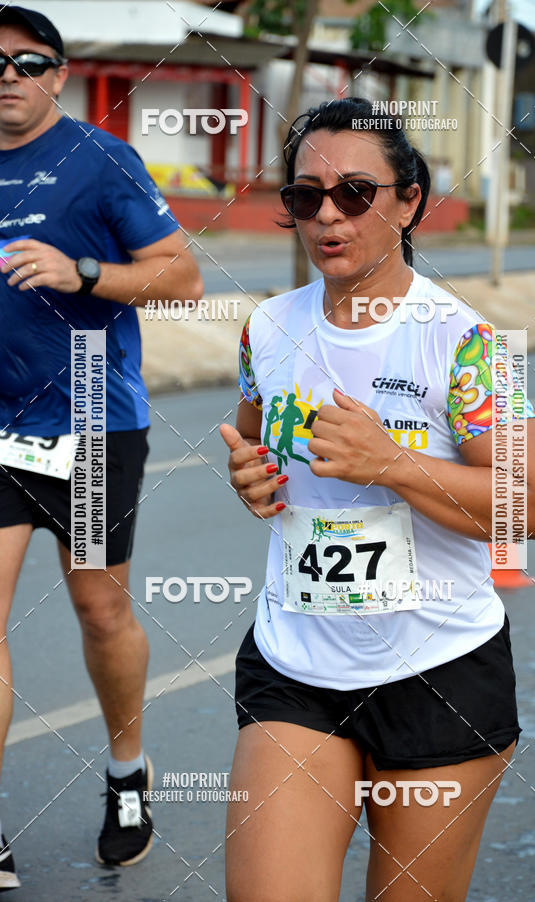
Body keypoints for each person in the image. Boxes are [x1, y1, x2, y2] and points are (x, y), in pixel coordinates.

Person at [220, 97, 535, 902]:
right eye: (306, 196)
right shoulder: (268, 328)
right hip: (295, 668)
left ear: (409, 202)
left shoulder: (460, 340)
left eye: (356, 193)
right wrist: (250, 480)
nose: (328, 216)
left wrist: (396, 465)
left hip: (440, 676)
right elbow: (253, 449)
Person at [0, 5, 203, 887]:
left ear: (59, 75)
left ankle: (127, 774)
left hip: (88, 418)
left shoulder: (101, 158)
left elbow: (183, 275)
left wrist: (80, 271)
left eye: (28, 62)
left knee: (99, 610)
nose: (8, 75)